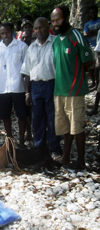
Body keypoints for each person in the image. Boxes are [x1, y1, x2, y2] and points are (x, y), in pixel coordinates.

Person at [51, 5, 94, 169]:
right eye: (53, 20)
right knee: (65, 127)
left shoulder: (76, 35)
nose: (55, 23)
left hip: (75, 91)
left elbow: (89, 61)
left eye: (58, 19)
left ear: (66, 17)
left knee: (77, 127)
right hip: (59, 90)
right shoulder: (56, 41)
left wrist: (77, 78)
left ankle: (81, 161)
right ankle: (66, 156)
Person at [21, 17, 62, 159]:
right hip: (36, 86)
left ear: (48, 26)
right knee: (37, 118)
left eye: (41, 27)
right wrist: (27, 92)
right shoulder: (31, 48)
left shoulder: (55, 43)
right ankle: (39, 147)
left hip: (52, 84)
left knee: (52, 118)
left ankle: (54, 148)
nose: (38, 31)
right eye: (36, 28)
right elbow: (26, 72)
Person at [0, 22, 28, 145]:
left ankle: (22, 140)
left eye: (7, 32)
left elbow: (26, 69)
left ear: (12, 31)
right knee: (5, 116)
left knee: (21, 115)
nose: (5, 35)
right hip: (2, 88)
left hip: (18, 87)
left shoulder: (22, 46)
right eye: (2, 33)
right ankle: (10, 139)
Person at [84, 5, 100, 90]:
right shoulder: (87, 24)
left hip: (99, 47)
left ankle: (98, 83)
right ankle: (93, 82)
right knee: (91, 66)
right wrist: (97, 32)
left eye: (94, 12)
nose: (92, 14)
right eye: (91, 13)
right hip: (90, 46)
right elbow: (85, 34)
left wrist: (92, 32)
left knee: (98, 66)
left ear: (97, 12)